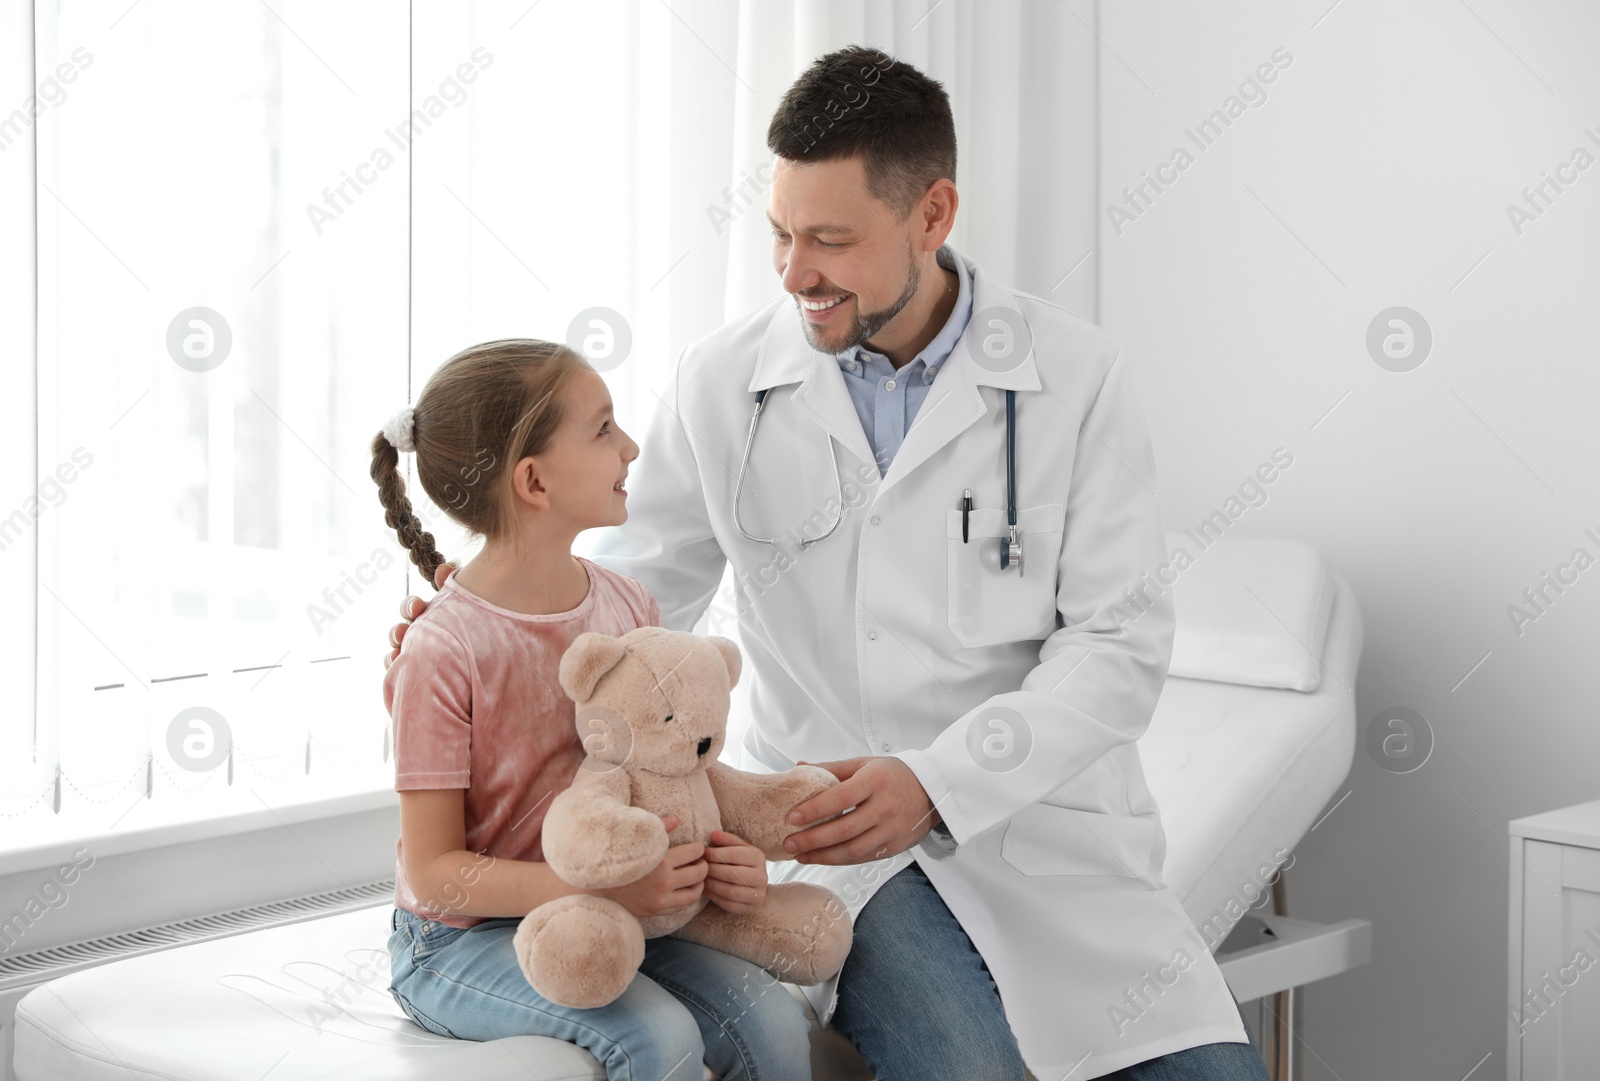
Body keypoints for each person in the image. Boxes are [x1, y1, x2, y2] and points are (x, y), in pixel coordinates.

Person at [391, 47, 1271, 1081]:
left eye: (831, 240)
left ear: (933, 215)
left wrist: (937, 781)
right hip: (829, 841)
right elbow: (632, 611)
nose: (794, 271)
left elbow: (1119, 646)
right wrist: (485, 633)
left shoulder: (1071, 378)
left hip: (1045, 840)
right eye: (779, 234)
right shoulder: (726, 383)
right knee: (965, 1063)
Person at [372, 338, 812, 1080]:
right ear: (534, 481)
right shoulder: (443, 648)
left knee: (772, 1022)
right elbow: (436, 870)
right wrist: (593, 884)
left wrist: (718, 854)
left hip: (619, 911)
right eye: (604, 429)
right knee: (656, 1039)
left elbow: (671, 767)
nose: (632, 448)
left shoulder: (628, 605)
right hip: (460, 942)